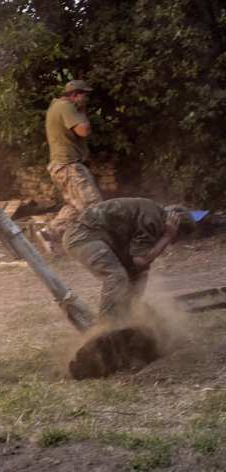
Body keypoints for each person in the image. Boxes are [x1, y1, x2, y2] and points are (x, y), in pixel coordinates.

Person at [62, 198, 196, 321]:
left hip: (96, 236)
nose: (172, 243)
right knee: (117, 277)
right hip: (82, 236)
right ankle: (107, 328)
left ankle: (130, 317)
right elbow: (141, 260)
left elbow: (138, 266)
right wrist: (167, 236)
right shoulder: (153, 220)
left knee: (139, 274)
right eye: (177, 237)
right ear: (175, 224)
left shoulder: (154, 215)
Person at [38, 79, 103, 256]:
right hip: (68, 166)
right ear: (75, 94)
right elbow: (83, 130)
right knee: (94, 204)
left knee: (75, 207)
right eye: (85, 95)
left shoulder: (58, 106)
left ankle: (49, 233)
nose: (87, 99)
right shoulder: (66, 107)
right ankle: (103, 244)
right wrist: (82, 111)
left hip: (62, 165)